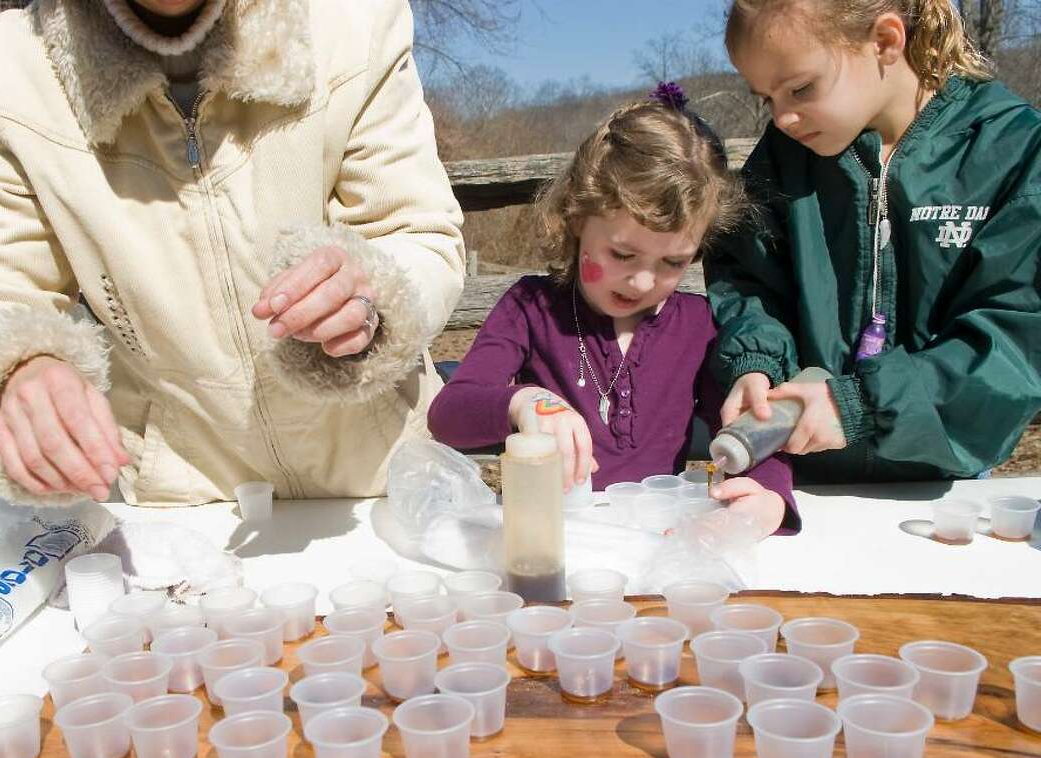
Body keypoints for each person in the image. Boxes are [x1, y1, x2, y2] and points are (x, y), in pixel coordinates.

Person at [0, 0, 465, 507]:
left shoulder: (351, 21)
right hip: (182, 512)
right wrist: (20, 368)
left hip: (389, 490)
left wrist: (370, 293)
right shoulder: (10, 74)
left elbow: (418, 233)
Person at [428, 90, 799, 539]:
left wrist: (767, 497)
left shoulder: (697, 326)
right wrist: (524, 401)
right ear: (578, 217)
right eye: (623, 254)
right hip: (549, 539)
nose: (643, 282)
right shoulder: (531, 308)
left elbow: (747, 427)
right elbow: (447, 415)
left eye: (673, 263)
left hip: (652, 541)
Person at [709, 0, 1041, 484]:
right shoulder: (784, 161)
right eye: (767, 99)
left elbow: (1017, 336)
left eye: (800, 89)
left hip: (941, 485)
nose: (782, 118)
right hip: (806, 482)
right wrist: (754, 362)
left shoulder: (1008, 152)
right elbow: (749, 280)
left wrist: (862, 406)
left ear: (885, 42)